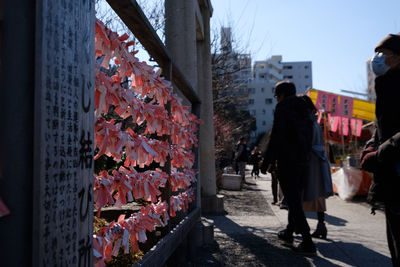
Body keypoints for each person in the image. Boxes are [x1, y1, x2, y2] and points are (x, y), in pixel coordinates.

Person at [261, 81, 316, 255]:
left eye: (277, 95)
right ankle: (289, 232)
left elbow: (277, 136)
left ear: (282, 95)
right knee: (295, 198)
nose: (276, 99)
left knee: (292, 200)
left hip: (287, 160)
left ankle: (307, 241)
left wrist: (266, 161)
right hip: (304, 160)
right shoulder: (306, 108)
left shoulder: (283, 108)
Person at [360, 33, 400, 266]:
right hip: (391, 176)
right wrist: (370, 148)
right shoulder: (386, 84)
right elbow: (384, 127)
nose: (378, 59)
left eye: (383, 54)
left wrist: (380, 153)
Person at [301, 96, 333, 239]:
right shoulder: (315, 121)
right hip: (319, 160)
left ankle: (298, 227)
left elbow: (304, 143)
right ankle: (321, 225)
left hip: (309, 161)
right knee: (318, 195)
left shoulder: (305, 121)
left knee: (302, 194)